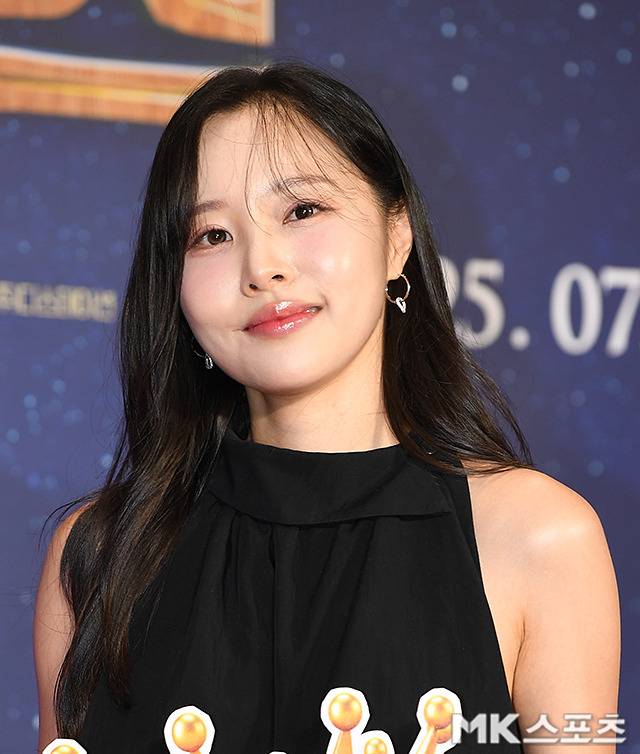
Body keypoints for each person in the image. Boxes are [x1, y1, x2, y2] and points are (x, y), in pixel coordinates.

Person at [33, 60, 620, 753]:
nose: (263, 267)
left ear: (396, 237)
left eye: (302, 211)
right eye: (212, 235)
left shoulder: (540, 540)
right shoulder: (100, 554)